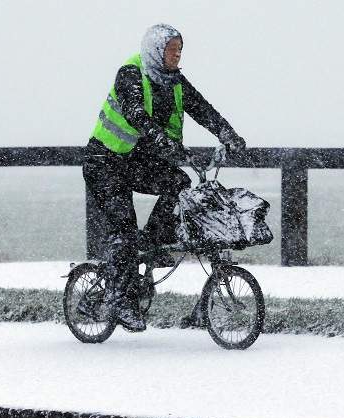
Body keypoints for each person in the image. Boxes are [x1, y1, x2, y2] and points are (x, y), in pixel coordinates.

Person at [82, 24, 246, 332]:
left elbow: (203, 110)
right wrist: (160, 139)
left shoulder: (175, 82)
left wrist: (229, 134)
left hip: (134, 162)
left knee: (179, 183)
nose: (178, 55)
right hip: (104, 162)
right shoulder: (131, 74)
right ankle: (121, 300)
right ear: (156, 51)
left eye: (180, 49)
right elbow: (135, 113)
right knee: (123, 227)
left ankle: (152, 240)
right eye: (172, 49)